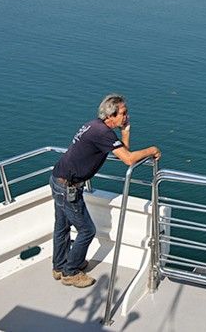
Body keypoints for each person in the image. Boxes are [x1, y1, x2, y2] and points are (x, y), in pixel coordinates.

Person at [50, 94, 160, 287]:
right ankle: (71, 272)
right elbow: (128, 159)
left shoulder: (95, 126)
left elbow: (121, 153)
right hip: (68, 187)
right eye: (123, 113)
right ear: (111, 115)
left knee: (62, 226)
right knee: (87, 230)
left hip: (59, 179)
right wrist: (152, 150)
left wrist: (125, 132)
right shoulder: (103, 133)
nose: (127, 116)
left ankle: (59, 266)